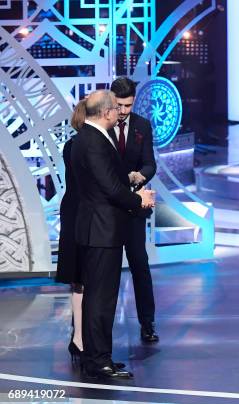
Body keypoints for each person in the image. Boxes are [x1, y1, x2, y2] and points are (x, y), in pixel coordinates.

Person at [71, 90, 155, 379]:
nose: (120, 113)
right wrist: (139, 200)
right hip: (101, 230)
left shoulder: (88, 137)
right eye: (115, 109)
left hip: (99, 228)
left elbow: (108, 181)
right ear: (107, 112)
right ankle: (98, 361)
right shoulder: (93, 141)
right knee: (100, 299)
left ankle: (99, 357)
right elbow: (109, 187)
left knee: (100, 297)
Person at [110, 77, 159, 343]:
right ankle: (97, 329)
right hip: (108, 208)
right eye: (119, 105)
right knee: (106, 270)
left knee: (140, 265)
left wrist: (140, 176)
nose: (124, 111)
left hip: (133, 209)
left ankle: (147, 323)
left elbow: (151, 163)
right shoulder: (101, 126)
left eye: (128, 105)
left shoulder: (141, 125)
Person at [55, 100, 87, 363]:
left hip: (78, 211)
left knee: (83, 278)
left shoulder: (75, 145)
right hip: (80, 213)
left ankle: (81, 335)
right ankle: (79, 337)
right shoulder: (78, 146)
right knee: (81, 277)